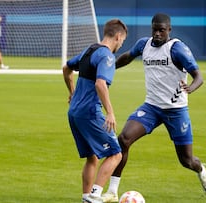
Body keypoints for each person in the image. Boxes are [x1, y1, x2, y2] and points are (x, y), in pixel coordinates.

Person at [102, 13, 206, 202]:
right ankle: (112, 192)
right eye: (154, 29)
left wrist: (191, 88)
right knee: (123, 139)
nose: (157, 34)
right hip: (151, 108)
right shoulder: (144, 45)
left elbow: (199, 76)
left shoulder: (177, 49)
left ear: (169, 30)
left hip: (176, 111)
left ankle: (200, 170)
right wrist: (108, 67)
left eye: (161, 30)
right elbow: (128, 57)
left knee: (186, 161)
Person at [63, 19, 127, 203]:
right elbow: (100, 84)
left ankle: (85, 198)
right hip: (90, 112)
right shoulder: (106, 56)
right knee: (115, 154)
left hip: (74, 113)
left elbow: (66, 68)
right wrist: (110, 112)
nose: (121, 44)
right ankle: (95, 195)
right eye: (122, 40)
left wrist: (72, 92)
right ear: (117, 36)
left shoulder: (88, 50)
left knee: (92, 158)